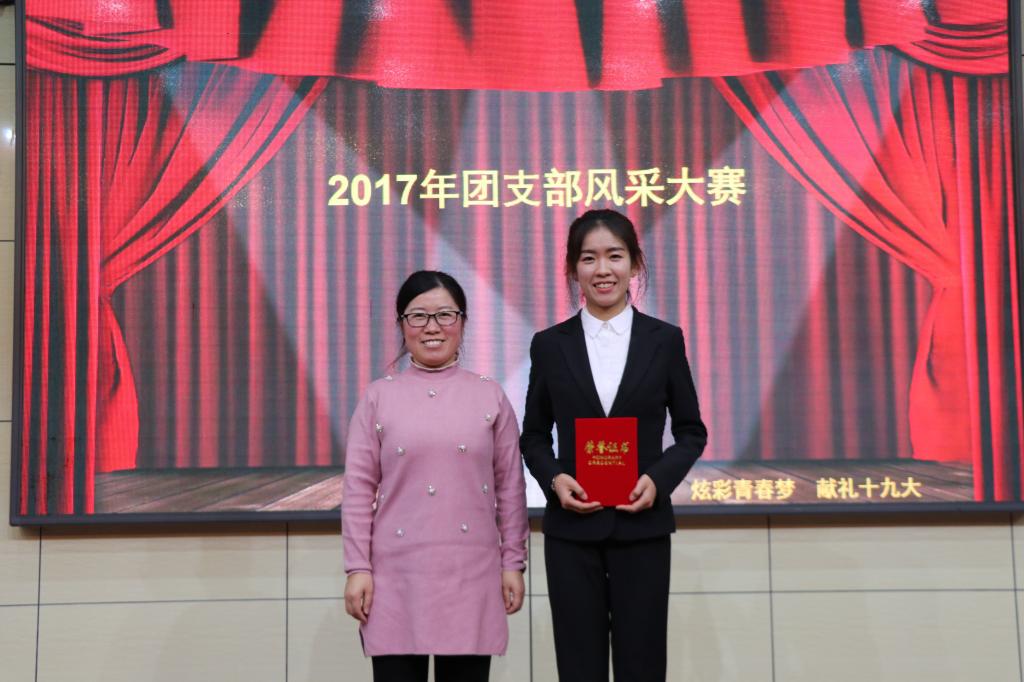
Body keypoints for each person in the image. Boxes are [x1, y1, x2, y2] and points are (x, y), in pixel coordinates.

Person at [521, 209, 707, 682]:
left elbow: (691, 431)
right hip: (571, 532)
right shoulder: (549, 345)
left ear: (635, 264)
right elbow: (534, 436)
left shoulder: (664, 340)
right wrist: (554, 479)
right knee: (578, 667)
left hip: (642, 527)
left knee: (642, 665)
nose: (602, 269)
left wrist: (658, 481)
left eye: (614, 256)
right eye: (589, 258)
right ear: (573, 268)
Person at [342, 270, 529, 682]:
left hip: (472, 573)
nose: (432, 327)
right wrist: (358, 568)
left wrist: (513, 562)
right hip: (394, 577)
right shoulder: (377, 397)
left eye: (445, 314)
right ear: (401, 324)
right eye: (418, 316)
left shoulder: (490, 395)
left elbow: (510, 489)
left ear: (462, 322)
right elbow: (357, 491)